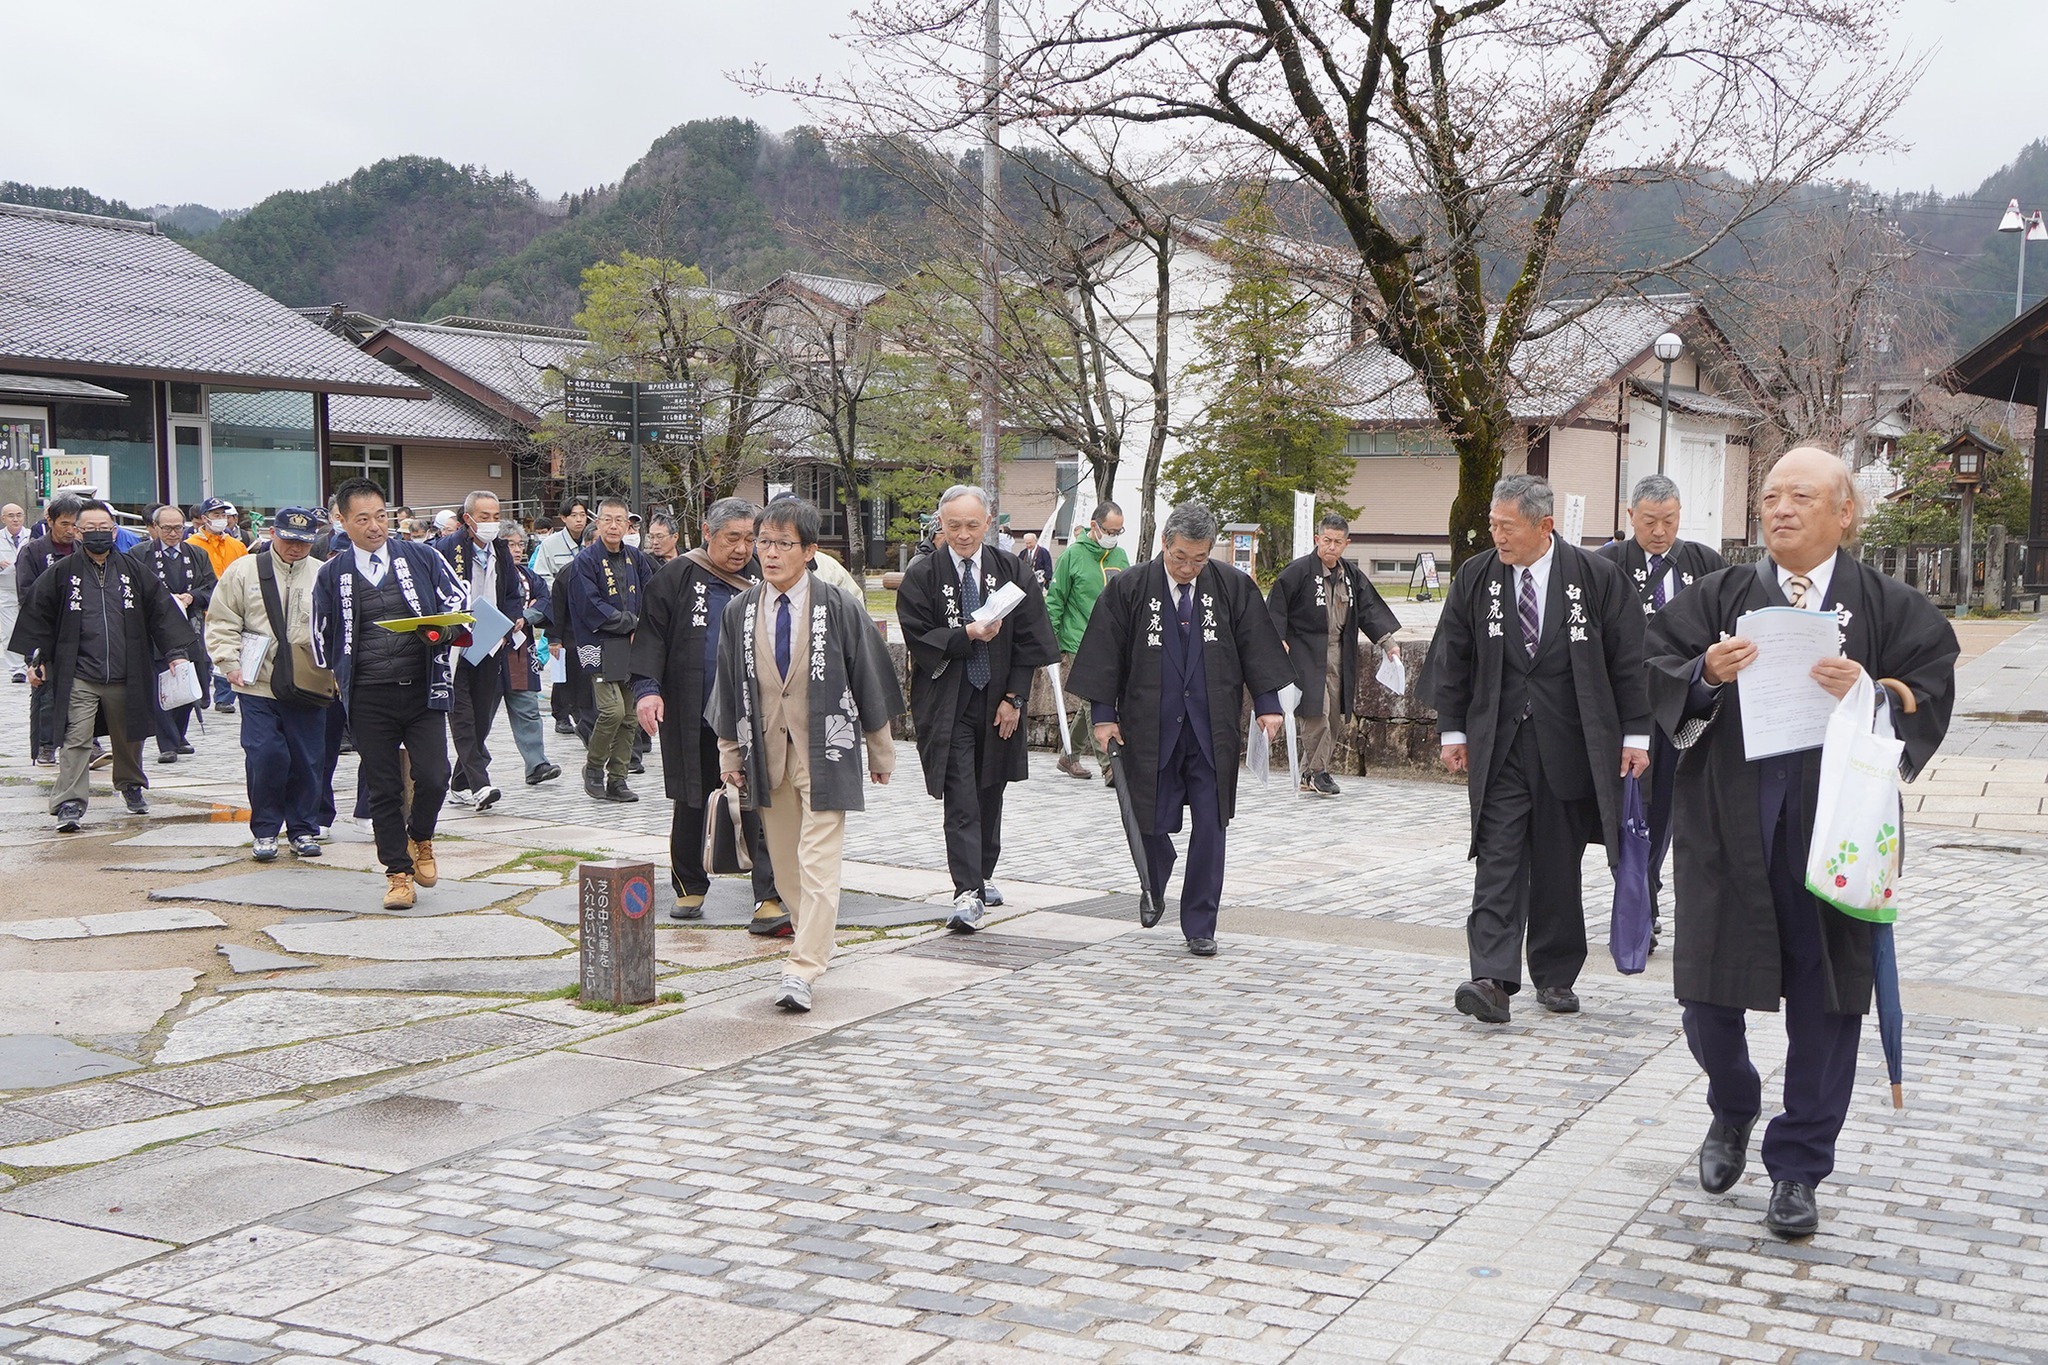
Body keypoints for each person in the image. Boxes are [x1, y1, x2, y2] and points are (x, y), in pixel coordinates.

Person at [1645, 446, 1957, 1239]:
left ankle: (1798, 1166)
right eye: (1772, 497)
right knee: (1706, 993)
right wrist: (1706, 674)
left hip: (1837, 830)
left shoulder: (1888, 606)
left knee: (1829, 1000)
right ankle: (1733, 1102)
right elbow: (1657, 671)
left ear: (1844, 512)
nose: (1781, 509)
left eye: (1802, 496)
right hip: (1727, 822)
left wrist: (1872, 691)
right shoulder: (1717, 596)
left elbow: (1929, 686)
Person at [1428, 474, 1651, 1025]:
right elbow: (1454, 655)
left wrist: (1636, 735)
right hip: (1500, 742)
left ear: (1544, 525)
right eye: (1493, 525)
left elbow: (1630, 660)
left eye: (1507, 527)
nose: (1496, 536)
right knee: (1497, 856)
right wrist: (1453, 730)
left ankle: (1554, 976)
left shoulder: (1595, 578)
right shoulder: (1477, 577)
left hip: (1570, 743)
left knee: (1557, 863)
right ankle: (1492, 978)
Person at [1068, 503, 1291, 957]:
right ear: (1164, 543)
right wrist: (1103, 714)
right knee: (1148, 817)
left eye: (1199, 559)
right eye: (1180, 558)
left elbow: (1256, 646)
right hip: (1149, 727)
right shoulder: (1130, 587)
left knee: (1211, 825)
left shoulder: (1231, 586)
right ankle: (1155, 878)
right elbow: (1104, 653)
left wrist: (1268, 705)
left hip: (1212, 728)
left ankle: (1201, 923)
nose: (1188, 568)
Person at [713, 496, 902, 1013]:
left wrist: (880, 752)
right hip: (766, 751)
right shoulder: (740, 609)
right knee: (788, 869)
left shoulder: (837, 606)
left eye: (782, 544)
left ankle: (802, 968)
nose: (768, 554)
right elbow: (728, 685)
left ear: (810, 550)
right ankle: (815, 940)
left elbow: (868, 677)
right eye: (763, 542)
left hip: (826, 748)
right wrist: (729, 752)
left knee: (818, 861)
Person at [896, 485, 1059, 930]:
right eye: (953, 526)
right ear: (940, 526)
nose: (963, 535)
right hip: (948, 701)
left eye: (972, 525)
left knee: (991, 790)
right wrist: (966, 634)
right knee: (962, 796)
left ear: (989, 524)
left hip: (998, 700)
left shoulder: (1010, 569)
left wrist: (1015, 699)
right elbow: (917, 636)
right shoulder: (923, 574)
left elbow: (1031, 641)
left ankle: (982, 873)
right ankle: (966, 890)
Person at [312, 478, 469, 910]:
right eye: (362, 519)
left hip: (421, 687)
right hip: (367, 694)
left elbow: (458, 600)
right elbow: (319, 630)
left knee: (436, 776)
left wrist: (444, 628)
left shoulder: (421, 555)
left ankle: (421, 836)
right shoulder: (332, 572)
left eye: (381, 516)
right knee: (383, 788)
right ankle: (398, 873)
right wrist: (339, 672)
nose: (375, 526)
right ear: (341, 521)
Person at [633, 497, 786, 928]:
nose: (742, 548)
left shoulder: (766, 575)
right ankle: (689, 884)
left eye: (750, 539)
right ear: (707, 532)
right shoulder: (676, 576)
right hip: (690, 707)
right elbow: (650, 637)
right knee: (691, 798)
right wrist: (647, 690)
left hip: (754, 711)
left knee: (763, 800)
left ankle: (770, 895)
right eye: (732, 538)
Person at [1595, 472, 1729, 940]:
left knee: (1667, 807)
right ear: (1630, 516)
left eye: (1668, 521)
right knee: (1631, 805)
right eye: (1649, 521)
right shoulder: (1606, 564)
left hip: (1684, 704)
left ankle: (1643, 899)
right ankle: (1639, 902)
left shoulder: (1705, 562)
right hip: (1627, 704)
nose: (1659, 531)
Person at [11, 501, 193, 832]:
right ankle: (69, 802)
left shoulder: (134, 571)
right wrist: (35, 659)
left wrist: (175, 652)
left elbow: (161, 612)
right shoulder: (61, 573)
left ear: (114, 531)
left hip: (128, 670)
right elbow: (39, 616)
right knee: (76, 737)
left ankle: (130, 784)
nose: (98, 534)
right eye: (90, 529)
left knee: (129, 736)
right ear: (78, 532)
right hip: (79, 672)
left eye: (104, 529)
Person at [207, 507, 330, 861]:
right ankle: (265, 830)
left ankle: (304, 828)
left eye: (304, 542)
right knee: (266, 756)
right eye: (289, 540)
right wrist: (228, 662)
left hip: (307, 683)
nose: (296, 548)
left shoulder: (322, 574)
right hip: (256, 680)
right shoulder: (245, 570)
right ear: (272, 534)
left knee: (307, 759)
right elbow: (222, 618)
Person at [1266, 513, 1401, 796]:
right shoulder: (1298, 571)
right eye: (1326, 540)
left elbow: (1369, 610)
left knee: (1335, 717)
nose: (1331, 546)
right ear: (1317, 539)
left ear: (1346, 544)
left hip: (1340, 651)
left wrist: (1388, 644)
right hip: (1305, 651)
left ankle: (1308, 773)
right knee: (1317, 713)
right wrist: (1277, 639)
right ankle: (1318, 773)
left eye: (1338, 542)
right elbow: (1276, 606)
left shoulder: (1350, 576)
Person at [434, 490, 526, 812]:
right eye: (483, 517)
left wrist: (514, 617)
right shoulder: (446, 549)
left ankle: (459, 782)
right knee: (462, 716)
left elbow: (513, 593)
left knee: (484, 715)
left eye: (495, 517)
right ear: (467, 518)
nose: (490, 523)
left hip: (490, 641)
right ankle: (480, 784)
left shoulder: (500, 550)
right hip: (456, 644)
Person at [565, 497, 656, 802]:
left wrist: (642, 628)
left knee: (630, 715)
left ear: (628, 525)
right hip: (596, 645)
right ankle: (593, 768)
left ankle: (618, 778)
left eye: (621, 520)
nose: (615, 525)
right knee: (611, 710)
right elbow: (591, 606)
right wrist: (631, 623)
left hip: (631, 645)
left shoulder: (635, 558)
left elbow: (651, 593)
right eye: (608, 519)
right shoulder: (586, 561)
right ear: (599, 522)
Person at [1046, 500, 1131, 782]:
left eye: (1119, 531)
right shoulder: (1073, 556)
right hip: (1078, 640)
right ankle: (1110, 764)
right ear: (1094, 526)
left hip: (1112, 642)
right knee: (1093, 700)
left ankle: (1068, 756)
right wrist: (1050, 641)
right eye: (1110, 530)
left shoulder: (1121, 558)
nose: (1114, 536)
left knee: (1090, 703)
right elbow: (1055, 601)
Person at [133, 503, 217, 762]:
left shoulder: (196, 554)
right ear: (155, 528)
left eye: (178, 528)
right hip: (155, 630)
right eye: (167, 528)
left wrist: (191, 597)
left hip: (189, 626)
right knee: (161, 683)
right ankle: (166, 743)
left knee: (189, 682)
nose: (173, 533)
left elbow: (211, 587)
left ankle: (179, 735)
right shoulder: (140, 553)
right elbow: (132, 589)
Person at [17, 493, 84, 763]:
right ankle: (46, 745)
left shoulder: (83, 549)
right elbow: (27, 596)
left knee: (85, 688)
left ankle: (88, 740)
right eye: (65, 524)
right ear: (50, 520)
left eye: (75, 525)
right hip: (45, 630)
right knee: (46, 688)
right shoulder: (33, 551)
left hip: (81, 630)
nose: (70, 531)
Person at [499, 526, 561, 787]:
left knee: (527, 706)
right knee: (479, 716)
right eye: (510, 544)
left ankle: (536, 763)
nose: (516, 549)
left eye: (519, 544)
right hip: (490, 649)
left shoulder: (528, 575)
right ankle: (468, 774)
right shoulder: (488, 573)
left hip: (521, 648)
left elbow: (545, 599)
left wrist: (526, 616)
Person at [534, 497, 590, 735]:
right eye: (574, 515)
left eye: (582, 514)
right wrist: (562, 590)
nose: (579, 519)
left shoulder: (593, 541)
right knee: (562, 662)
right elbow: (541, 577)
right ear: (564, 518)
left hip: (586, 613)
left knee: (583, 663)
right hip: (561, 610)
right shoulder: (551, 544)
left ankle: (580, 710)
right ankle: (561, 713)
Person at [188, 498, 249, 713]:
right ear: (204, 518)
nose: (221, 519)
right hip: (205, 607)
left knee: (233, 649)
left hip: (235, 605)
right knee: (207, 654)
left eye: (223, 515)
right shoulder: (192, 546)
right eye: (216, 515)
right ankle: (206, 694)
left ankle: (225, 697)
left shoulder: (236, 545)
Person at [1, 503, 29, 681]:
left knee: (30, 627)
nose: (15, 519)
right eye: (11, 515)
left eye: (19, 515)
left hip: (28, 589)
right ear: (3, 519)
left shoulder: (32, 536)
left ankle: (31, 662)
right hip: (6, 589)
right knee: (9, 630)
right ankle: (17, 669)